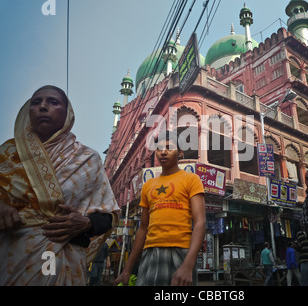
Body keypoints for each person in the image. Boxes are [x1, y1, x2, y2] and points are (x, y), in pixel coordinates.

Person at [0, 85, 120, 285]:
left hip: (65, 256)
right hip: (12, 257)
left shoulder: (86, 158)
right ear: (28, 111)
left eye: (53, 102)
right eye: (36, 102)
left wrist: (86, 223)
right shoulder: (7, 155)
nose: (43, 106)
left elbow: (109, 216)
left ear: (67, 113)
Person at [114, 130, 206, 286]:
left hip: (180, 252)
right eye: (159, 148)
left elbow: (200, 223)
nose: (163, 152)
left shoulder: (192, 179)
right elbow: (143, 228)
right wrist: (127, 270)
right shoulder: (148, 185)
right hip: (150, 253)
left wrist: (188, 264)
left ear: (180, 153)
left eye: (169, 148)